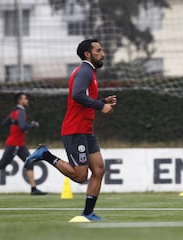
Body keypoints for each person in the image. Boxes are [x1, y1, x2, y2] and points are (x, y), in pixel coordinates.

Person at [24, 39, 117, 220]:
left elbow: (84, 98)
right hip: (75, 130)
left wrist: (103, 101)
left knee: (98, 170)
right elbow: (77, 95)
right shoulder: (85, 70)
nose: (102, 53)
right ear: (87, 54)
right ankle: (45, 155)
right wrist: (100, 106)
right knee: (81, 176)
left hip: (86, 131)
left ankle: (88, 213)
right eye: (98, 50)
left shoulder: (89, 71)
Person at [0, 92, 47, 195]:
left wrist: (16, 128)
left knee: (30, 161)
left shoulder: (14, 111)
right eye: (25, 99)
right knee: (2, 164)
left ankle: (33, 189)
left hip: (19, 144)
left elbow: (5, 123)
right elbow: (23, 126)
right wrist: (33, 125)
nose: (27, 101)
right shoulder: (21, 112)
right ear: (20, 101)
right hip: (14, 144)